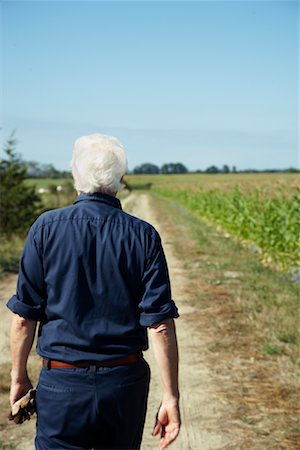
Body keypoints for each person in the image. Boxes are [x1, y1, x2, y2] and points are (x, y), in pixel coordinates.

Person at [7, 133, 181, 450]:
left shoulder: (45, 228)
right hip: (124, 384)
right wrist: (171, 396)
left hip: (61, 385)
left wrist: (18, 377)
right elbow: (160, 325)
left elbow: (23, 318)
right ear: (121, 179)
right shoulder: (143, 236)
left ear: (76, 174)